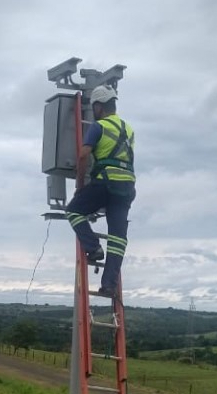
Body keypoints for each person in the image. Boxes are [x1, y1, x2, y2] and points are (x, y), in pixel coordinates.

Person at [65, 84, 136, 299]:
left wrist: (79, 186)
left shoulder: (99, 127)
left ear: (98, 107)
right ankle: (109, 285)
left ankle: (93, 248)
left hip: (105, 183)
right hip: (126, 188)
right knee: (118, 238)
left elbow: (83, 156)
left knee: (74, 211)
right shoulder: (128, 129)